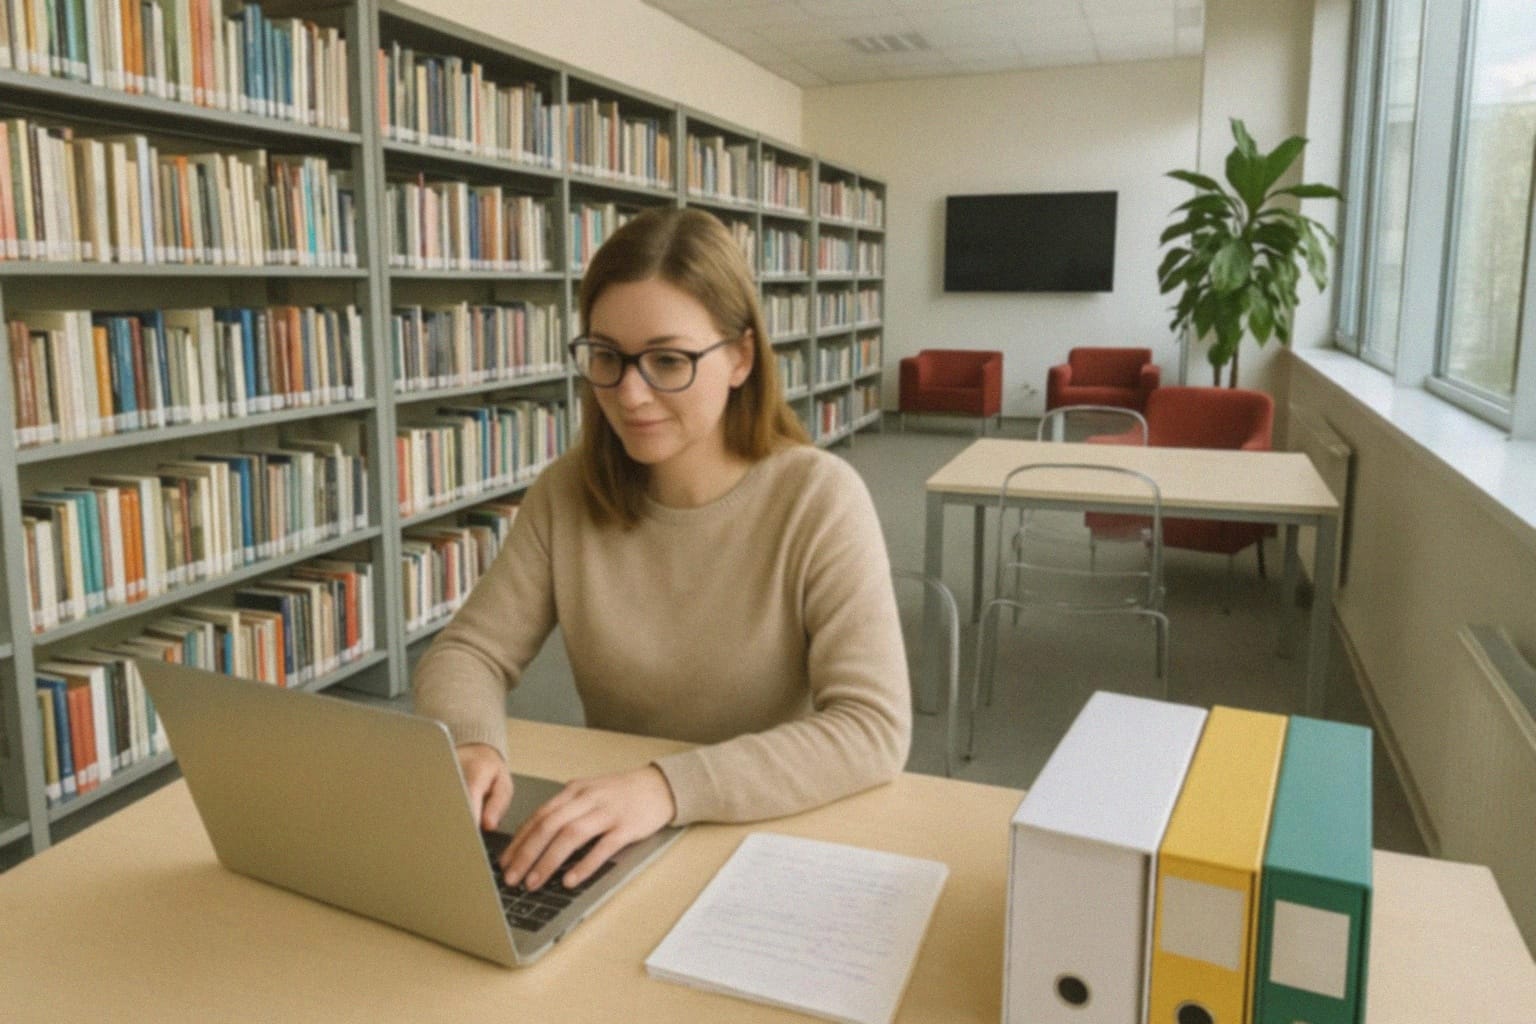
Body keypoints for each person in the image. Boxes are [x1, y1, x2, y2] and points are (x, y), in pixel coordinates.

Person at [413, 206, 909, 895]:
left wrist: (666, 788)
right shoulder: (569, 491)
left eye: (669, 360)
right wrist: (470, 741)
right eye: (608, 358)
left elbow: (872, 730)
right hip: (622, 848)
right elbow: (468, 652)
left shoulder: (818, 497)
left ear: (740, 357)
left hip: (767, 833)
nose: (630, 394)